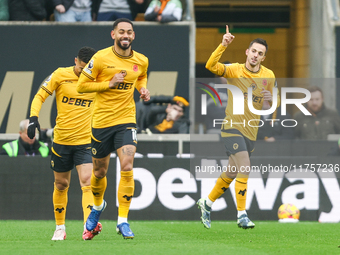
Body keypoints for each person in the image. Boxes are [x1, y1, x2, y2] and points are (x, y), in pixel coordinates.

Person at [197, 26, 279, 229]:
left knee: (232, 172)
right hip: (232, 128)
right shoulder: (234, 69)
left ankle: (206, 203)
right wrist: (223, 45)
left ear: (263, 58)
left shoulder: (268, 76)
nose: (256, 55)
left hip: (252, 131)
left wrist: (271, 102)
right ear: (247, 52)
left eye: (260, 53)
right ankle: (241, 214)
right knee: (245, 166)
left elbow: (273, 105)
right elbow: (210, 65)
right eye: (253, 51)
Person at [77, 18, 150, 239]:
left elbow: (141, 76)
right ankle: (98, 207)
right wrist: (108, 83)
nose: (125, 35)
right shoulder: (100, 58)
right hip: (101, 123)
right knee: (99, 172)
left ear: (133, 35)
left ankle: (123, 221)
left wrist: (143, 89)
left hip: (126, 120)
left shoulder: (142, 60)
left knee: (127, 166)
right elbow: (81, 85)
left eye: (129, 32)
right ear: (113, 35)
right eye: (121, 32)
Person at [27, 47, 101, 241]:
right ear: (75, 60)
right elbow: (39, 96)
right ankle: (60, 227)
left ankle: (88, 226)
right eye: (81, 68)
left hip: (85, 141)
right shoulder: (60, 74)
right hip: (61, 141)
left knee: (87, 181)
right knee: (61, 184)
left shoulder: (98, 79)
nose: (84, 72)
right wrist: (33, 118)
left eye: (88, 69)